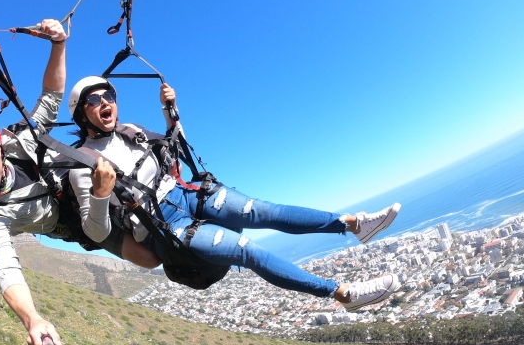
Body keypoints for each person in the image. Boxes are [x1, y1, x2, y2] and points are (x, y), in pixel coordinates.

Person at [67, 76, 403, 311]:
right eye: (93, 100)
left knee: (263, 210)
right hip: (164, 226)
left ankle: (352, 225)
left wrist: (170, 110)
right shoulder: (82, 164)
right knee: (249, 252)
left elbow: (174, 146)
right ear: (82, 113)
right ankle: (343, 294)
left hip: (187, 194)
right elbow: (94, 230)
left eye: (108, 96)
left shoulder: (133, 131)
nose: (105, 103)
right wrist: (100, 194)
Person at [0, 20, 160, 345]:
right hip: (82, 224)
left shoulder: (21, 142)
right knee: (148, 259)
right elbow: (5, 269)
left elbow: (50, 99)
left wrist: (58, 44)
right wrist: (32, 319)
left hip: (92, 182)